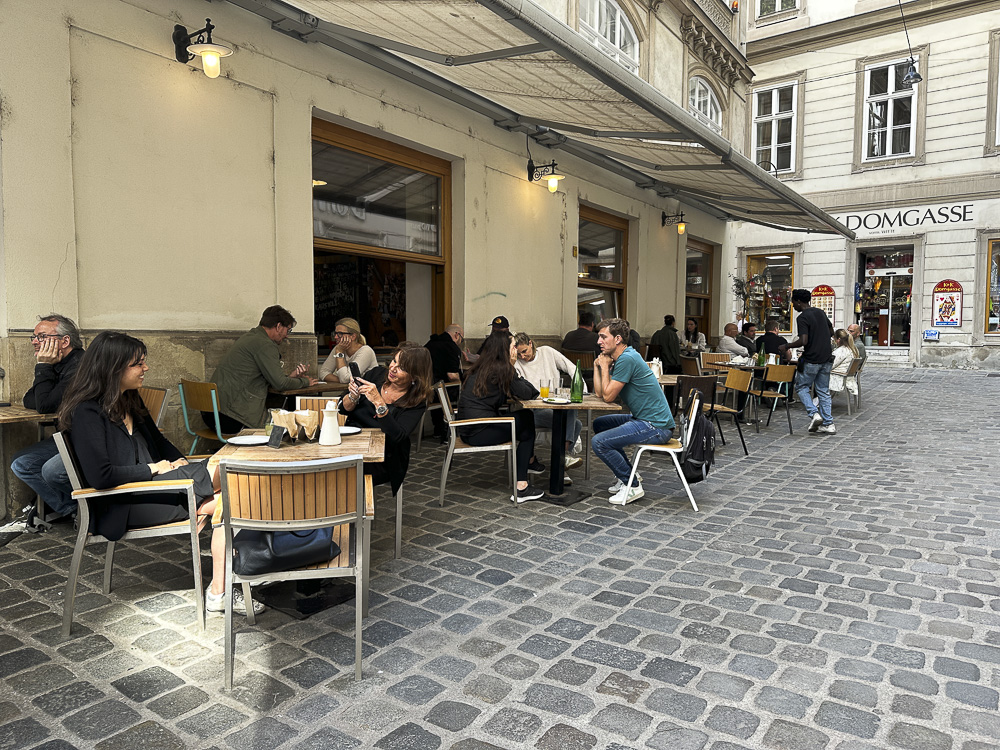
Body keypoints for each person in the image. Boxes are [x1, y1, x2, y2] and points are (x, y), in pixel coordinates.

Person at [58, 332, 263, 616]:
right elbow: (101, 477)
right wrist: (154, 468)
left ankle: (221, 591)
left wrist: (181, 462)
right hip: (124, 503)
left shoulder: (129, 400)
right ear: (112, 368)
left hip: (154, 487)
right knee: (235, 483)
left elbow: (158, 442)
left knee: (232, 500)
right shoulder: (87, 412)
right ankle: (240, 577)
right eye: (137, 364)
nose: (146, 368)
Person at [592, 318, 675, 506]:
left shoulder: (627, 359)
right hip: (643, 419)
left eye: (603, 337)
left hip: (656, 426)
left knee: (599, 442)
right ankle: (627, 475)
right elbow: (600, 392)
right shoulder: (622, 358)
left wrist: (604, 367)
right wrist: (599, 366)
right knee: (600, 424)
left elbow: (608, 397)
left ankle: (632, 484)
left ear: (618, 339)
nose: (599, 341)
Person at [10, 314, 86, 520]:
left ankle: (90, 508)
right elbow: (29, 399)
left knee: (49, 470)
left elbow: (44, 405)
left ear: (65, 341)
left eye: (42, 336)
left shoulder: (81, 367)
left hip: (86, 441)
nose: (35, 342)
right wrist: (46, 369)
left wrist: (43, 366)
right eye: (34, 337)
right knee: (21, 463)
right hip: (68, 437)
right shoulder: (57, 363)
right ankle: (74, 509)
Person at [457, 333, 544, 504]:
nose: (515, 350)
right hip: (479, 430)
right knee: (526, 419)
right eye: (513, 347)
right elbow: (529, 393)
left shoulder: (483, 366)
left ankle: (529, 463)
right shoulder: (502, 369)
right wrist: (512, 367)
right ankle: (522, 484)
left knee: (524, 422)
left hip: (468, 428)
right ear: (504, 350)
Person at [209, 306, 318, 432]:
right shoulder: (265, 344)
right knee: (287, 426)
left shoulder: (250, 337)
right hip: (230, 417)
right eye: (288, 330)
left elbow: (274, 378)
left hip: (212, 413)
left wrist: (290, 378)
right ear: (278, 326)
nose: (287, 336)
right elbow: (280, 384)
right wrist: (305, 382)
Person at [342, 347, 433, 496]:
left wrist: (378, 402)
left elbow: (397, 436)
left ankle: (351, 507)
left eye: (402, 368)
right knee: (329, 465)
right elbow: (343, 408)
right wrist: (353, 396)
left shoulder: (415, 401)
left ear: (414, 376)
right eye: (394, 361)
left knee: (347, 471)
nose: (393, 368)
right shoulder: (375, 375)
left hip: (384, 456)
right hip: (352, 445)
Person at [513, 333, 583, 477]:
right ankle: (563, 463)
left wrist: (582, 389)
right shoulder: (517, 364)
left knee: (572, 413)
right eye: (519, 354)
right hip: (534, 409)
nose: (522, 356)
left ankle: (563, 460)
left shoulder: (547, 352)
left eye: (524, 351)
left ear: (530, 343)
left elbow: (571, 367)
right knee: (574, 423)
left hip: (555, 404)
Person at [780, 289, 835, 434]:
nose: (793, 306)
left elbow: (803, 340)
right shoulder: (821, 312)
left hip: (812, 358)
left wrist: (787, 346)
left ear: (799, 301)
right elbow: (831, 332)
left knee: (801, 387)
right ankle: (829, 423)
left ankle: (814, 413)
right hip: (826, 357)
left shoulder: (802, 317)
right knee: (823, 390)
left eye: (793, 302)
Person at [424, 324, 464, 440]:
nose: (460, 342)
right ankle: (450, 433)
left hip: (428, 390)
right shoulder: (451, 347)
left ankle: (438, 430)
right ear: (457, 335)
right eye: (462, 339)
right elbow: (452, 375)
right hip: (444, 392)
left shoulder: (430, 344)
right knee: (461, 389)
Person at [319, 317, 378, 384]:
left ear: (353, 336)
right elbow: (323, 373)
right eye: (335, 333)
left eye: (340, 334)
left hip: (368, 390)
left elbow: (345, 379)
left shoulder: (366, 351)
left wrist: (339, 353)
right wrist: (341, 380)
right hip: (350, 390)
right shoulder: (339, 348)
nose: (335, 337)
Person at [830, 329, 860, 396]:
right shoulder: (854, 349)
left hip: (838, 377)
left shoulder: (841, 351)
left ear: (838, 339)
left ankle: (818, 399)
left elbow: (831, 365)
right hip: (848, 377)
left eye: (834, 339)